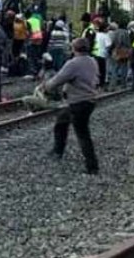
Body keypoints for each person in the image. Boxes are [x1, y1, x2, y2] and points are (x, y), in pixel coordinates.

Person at [39, 37, 100, 175]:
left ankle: (92, 166)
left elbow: (58, 79)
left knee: (83, 134)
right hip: (89, 100)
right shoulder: (92, 61)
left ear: (74, 49)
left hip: (78, 102)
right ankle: (57, 151)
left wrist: (45, 86)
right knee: (61, 121)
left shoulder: (73, 63)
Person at [108, 22, 131, 89]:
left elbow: (113, 43)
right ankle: (123, 84)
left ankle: (112, 86)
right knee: (124, 68)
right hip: (125, 52)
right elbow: (129, 43)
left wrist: (110, 50)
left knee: (115, 69)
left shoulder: (116, 32)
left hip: (117, 51)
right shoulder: (127, 33)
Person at [93, 21, 111, 90]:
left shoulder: (96, 34)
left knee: (96, 70)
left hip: (95, 53)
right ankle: (101, 85)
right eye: (107, 28)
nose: (108, 29)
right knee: (102, 70)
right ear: (104, 29)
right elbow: (108, 45)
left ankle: (96, 84)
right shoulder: (106, 36)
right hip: (102, 54)